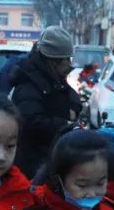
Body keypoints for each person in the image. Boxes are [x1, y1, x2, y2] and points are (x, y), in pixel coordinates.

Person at [10, 26, 81, 179]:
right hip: (33, 164)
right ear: (53, 61)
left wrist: (74, 109)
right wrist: (65, 124)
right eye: (66, 59)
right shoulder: (28, 83)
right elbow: (30, 121)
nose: (69, 63)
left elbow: (70, 96)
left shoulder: (53, 77)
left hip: (49, 156)